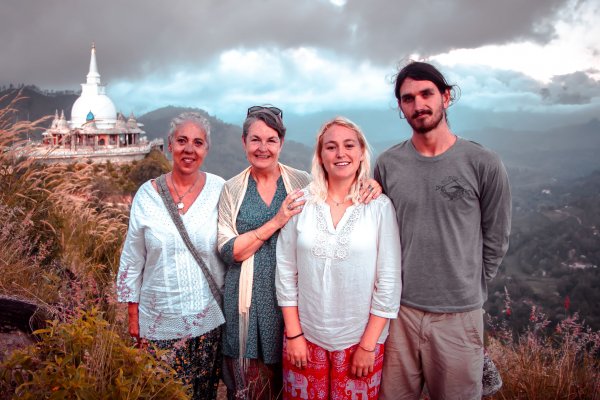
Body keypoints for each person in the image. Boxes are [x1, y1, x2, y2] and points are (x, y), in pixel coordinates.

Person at [217, 106, 382, 399]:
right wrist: (277, 221)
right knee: (251, 390)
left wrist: (368, 183)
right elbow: (230, 251)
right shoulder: (232, 189)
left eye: (271, 140)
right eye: (255, 140)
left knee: (295, 388)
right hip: (249, 306)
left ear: (282, 142)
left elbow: (338, 188)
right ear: (243, 142)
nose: (263, 148)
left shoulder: (303, 182)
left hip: (300, 311)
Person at [375, 61, 512, 399]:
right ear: (401, 107)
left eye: (426, 94)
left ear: (446, 97)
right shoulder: (388, 165)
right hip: (398, 313)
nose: (418, 105)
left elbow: (496, 236)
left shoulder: (483, 163)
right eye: (408, 98)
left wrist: (467, 284)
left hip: (458, 315)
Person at [276, 117, 402, 400]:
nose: (340, 153)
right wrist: (294, 335)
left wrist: (368, 345)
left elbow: (389, 280)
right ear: (321, 156)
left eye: (349, 145)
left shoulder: (379, 208)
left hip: (359, 341)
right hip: (306, 339)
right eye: (331, 147)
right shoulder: (302, 203)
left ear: (361, 154)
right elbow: (285, 272)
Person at [117, 112, 225, 400]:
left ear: (206, 149)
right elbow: (132, 259)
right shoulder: (147, 195)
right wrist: (133, 319)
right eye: (182, 141)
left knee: (204, 395)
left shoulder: (219, 190)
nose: (189, 149)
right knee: (161, 393)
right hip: (157, 323)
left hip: (209, 322)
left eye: (198, 142)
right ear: (169, 145)